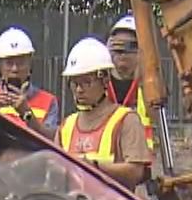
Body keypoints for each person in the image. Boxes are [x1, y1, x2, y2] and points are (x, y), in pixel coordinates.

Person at [57, 37, 153, 187]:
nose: (79, 90)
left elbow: (135, 172)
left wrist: (94, 167)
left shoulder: (126, 120)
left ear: (105, 79)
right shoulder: (66, 126)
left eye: (86, 82)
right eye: (74, 83)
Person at [0, 27, 58, 135]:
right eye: (9, 63)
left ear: (30, 65)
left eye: (20, 63)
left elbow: (51, 142)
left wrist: (27, 114)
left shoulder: (48, 101)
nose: (15, 69)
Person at [106, 14, 158, 149]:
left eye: (129, 47)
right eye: (117, 48)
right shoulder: (99, 85)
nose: (122, 54)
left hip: (139, 160)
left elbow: (156, 117)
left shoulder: (149, 86)